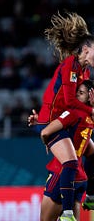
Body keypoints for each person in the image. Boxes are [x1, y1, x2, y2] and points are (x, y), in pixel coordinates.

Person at [29, 11, 94, 221]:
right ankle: (66, 213)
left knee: (90, 152)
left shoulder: (85, 73)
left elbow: (74, 106)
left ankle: (90, 195)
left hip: (63, 121)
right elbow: (69, 102)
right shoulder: (70, 66)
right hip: (52, 121)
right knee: (71, 162)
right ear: (86, 49)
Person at [38, 80, 94, 220]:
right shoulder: (90, 118)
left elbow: (45, 132)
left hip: (62, 174)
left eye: (80, 93)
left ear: (90, 96)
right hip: (80, 177)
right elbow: (91, 152)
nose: (76, 95)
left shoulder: (75, 113)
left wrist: (48, 141)